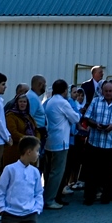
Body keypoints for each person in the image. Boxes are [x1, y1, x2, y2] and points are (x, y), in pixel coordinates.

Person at [82, 80, 112, 205]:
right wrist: (96, 124)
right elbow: (87, 117)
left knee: (109, 173)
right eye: (105, 91)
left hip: (111, 143)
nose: (108, 93)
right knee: (92, 172)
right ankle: (89, 197)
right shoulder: (95, 101)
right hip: (95, 142)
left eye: (110, 91)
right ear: (102, 91)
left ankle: (106, 196)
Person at [41, 80, 79, 208]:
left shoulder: (50, 101)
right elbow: (75, 118)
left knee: (49, 171)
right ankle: (51, 200)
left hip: (50, 140)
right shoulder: (63, 102)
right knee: (57, 172)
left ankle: (49, 196)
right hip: (61, 142)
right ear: (64, 90)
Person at [0, 135, 44, 223]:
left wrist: (37, 208)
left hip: (30, 214)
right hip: (10, 214)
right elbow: (0, 190)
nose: (38, 153)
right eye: (37, 150)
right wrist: (2, 208)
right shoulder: (10, 169)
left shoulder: (35, 171)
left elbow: (38, 192)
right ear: (29, 151)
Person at [5, 90, 38, 167]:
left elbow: (36, 130)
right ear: (16, 103)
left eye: (24, 102)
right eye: (20, 101)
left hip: (30, 150)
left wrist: (36, 140)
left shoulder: (28, 116)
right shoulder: (10, 116)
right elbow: (13, 133)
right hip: (15, 151)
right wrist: (29, 140)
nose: (23, 104)